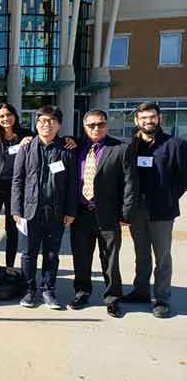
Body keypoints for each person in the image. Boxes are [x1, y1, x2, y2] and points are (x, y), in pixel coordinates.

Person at [69, 110, 138, 318]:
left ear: (107, 125)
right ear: (84, 126)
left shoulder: (120, 148)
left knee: (110, 260)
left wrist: (126, 213)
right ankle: (82, 292)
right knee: (81, 258)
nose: (96, 128)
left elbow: (130, 183)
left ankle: (113, 298)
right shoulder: (75, 147)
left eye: (100, 124)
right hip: (81, 214)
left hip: (108, 215)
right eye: (91, 125)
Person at [122, 102, 187, 318]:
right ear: (136, 121)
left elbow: (182, 179)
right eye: (144, 118)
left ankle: (162, 299)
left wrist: (167, 197)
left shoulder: (175, 145)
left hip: (162, 211)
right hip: (137, 211)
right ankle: (141, 291)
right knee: (141, 255)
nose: (148, 121)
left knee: (162, 257)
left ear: (159, 118)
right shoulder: (132, 146)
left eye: (152, 117)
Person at [11, 105, 77, 309]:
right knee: (29, 253)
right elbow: (17, 179)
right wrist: (16, 210)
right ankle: (29, 290)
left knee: (51, 254)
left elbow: (73, 184)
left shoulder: (66, 149)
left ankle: (48, 290)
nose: (46, 124)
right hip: (30, 211)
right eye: (42, 121)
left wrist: (71, 211)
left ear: (59, 125)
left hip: (55, 212)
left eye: (51, 121)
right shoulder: (27, 147)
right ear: (36, 124)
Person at [0, 103, 34, 276]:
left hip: (16, 188)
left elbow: (48, 140)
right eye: (2, 116)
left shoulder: (26, 135)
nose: (5, 119)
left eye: (8, 114)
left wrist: (30, 142)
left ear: (15, 116)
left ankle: (10, 265)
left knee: (12, 228)